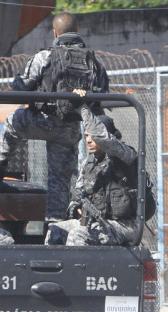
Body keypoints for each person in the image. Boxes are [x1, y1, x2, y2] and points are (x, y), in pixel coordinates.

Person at [0, 12, 108, 223]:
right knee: (58, 180)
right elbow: (102, 93)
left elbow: (20, 86)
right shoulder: (93, 61)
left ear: (55, 33)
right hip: (71, 129)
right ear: (77, 32)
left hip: (42, 121)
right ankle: (55, 229)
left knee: (12, 122)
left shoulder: (45, 57)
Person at [46, 105, 148, 247]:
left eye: (93, 136)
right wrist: (77, 208)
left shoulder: (125, 156)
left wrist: (82, 106)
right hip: (94, 222)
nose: (88, 140)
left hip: (124, 225)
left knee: (78, 236)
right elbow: (78, 194)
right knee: (55, 231)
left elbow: (105, 139)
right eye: (86, 135)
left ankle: (77, 269)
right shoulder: (89, 163)